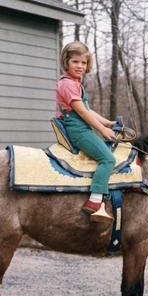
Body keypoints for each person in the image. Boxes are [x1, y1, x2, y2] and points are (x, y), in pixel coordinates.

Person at [56, 41, 116, 223]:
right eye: (75, 62)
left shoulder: (75, 83)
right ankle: (95, 201)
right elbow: (81, 112)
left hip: (82, 126)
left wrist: (107, 122)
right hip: (77, 129)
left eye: (83, 62)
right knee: (108, 159)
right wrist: (103, 130)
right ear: (66, 62)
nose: (79, 66)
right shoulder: (67, 84)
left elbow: (87, 109)